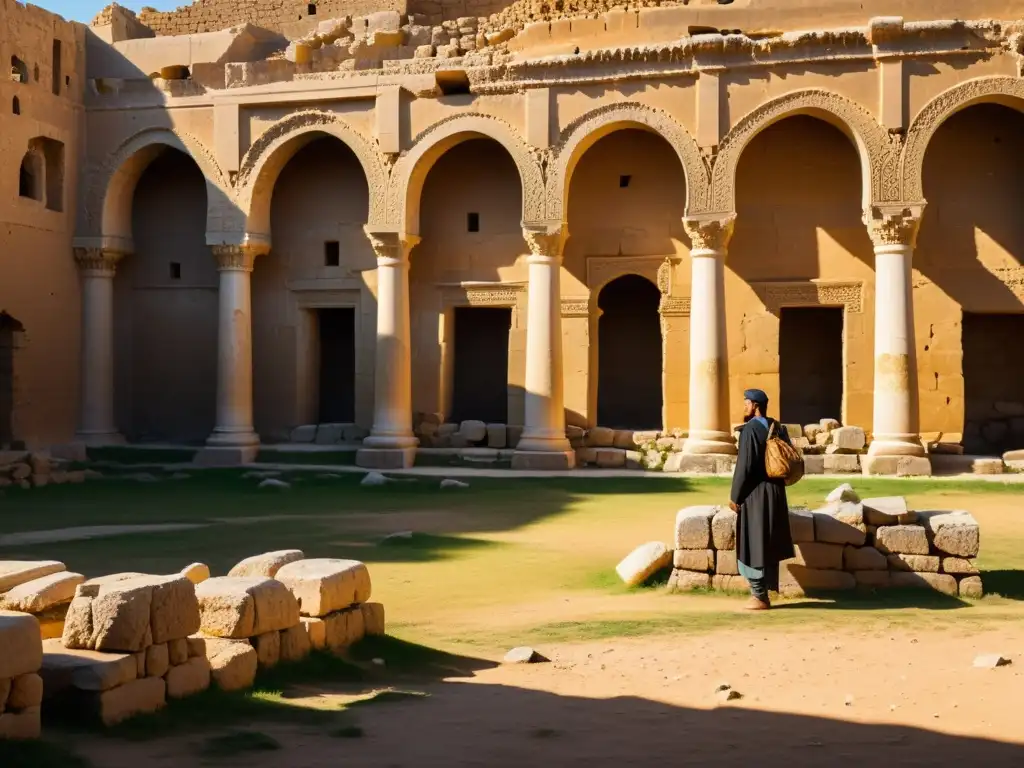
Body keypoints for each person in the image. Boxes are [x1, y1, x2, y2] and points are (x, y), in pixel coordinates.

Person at [728, 388, 795, 611]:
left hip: (756, 494)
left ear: (755, 405)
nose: (744, 406)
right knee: (768, 542)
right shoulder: (778, 428)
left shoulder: (750, 430)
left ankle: (759, 595)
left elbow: (745, 467)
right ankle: (765, 592)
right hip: (776, 492)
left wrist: (735, 496)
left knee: (753, 542)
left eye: (746, 403)